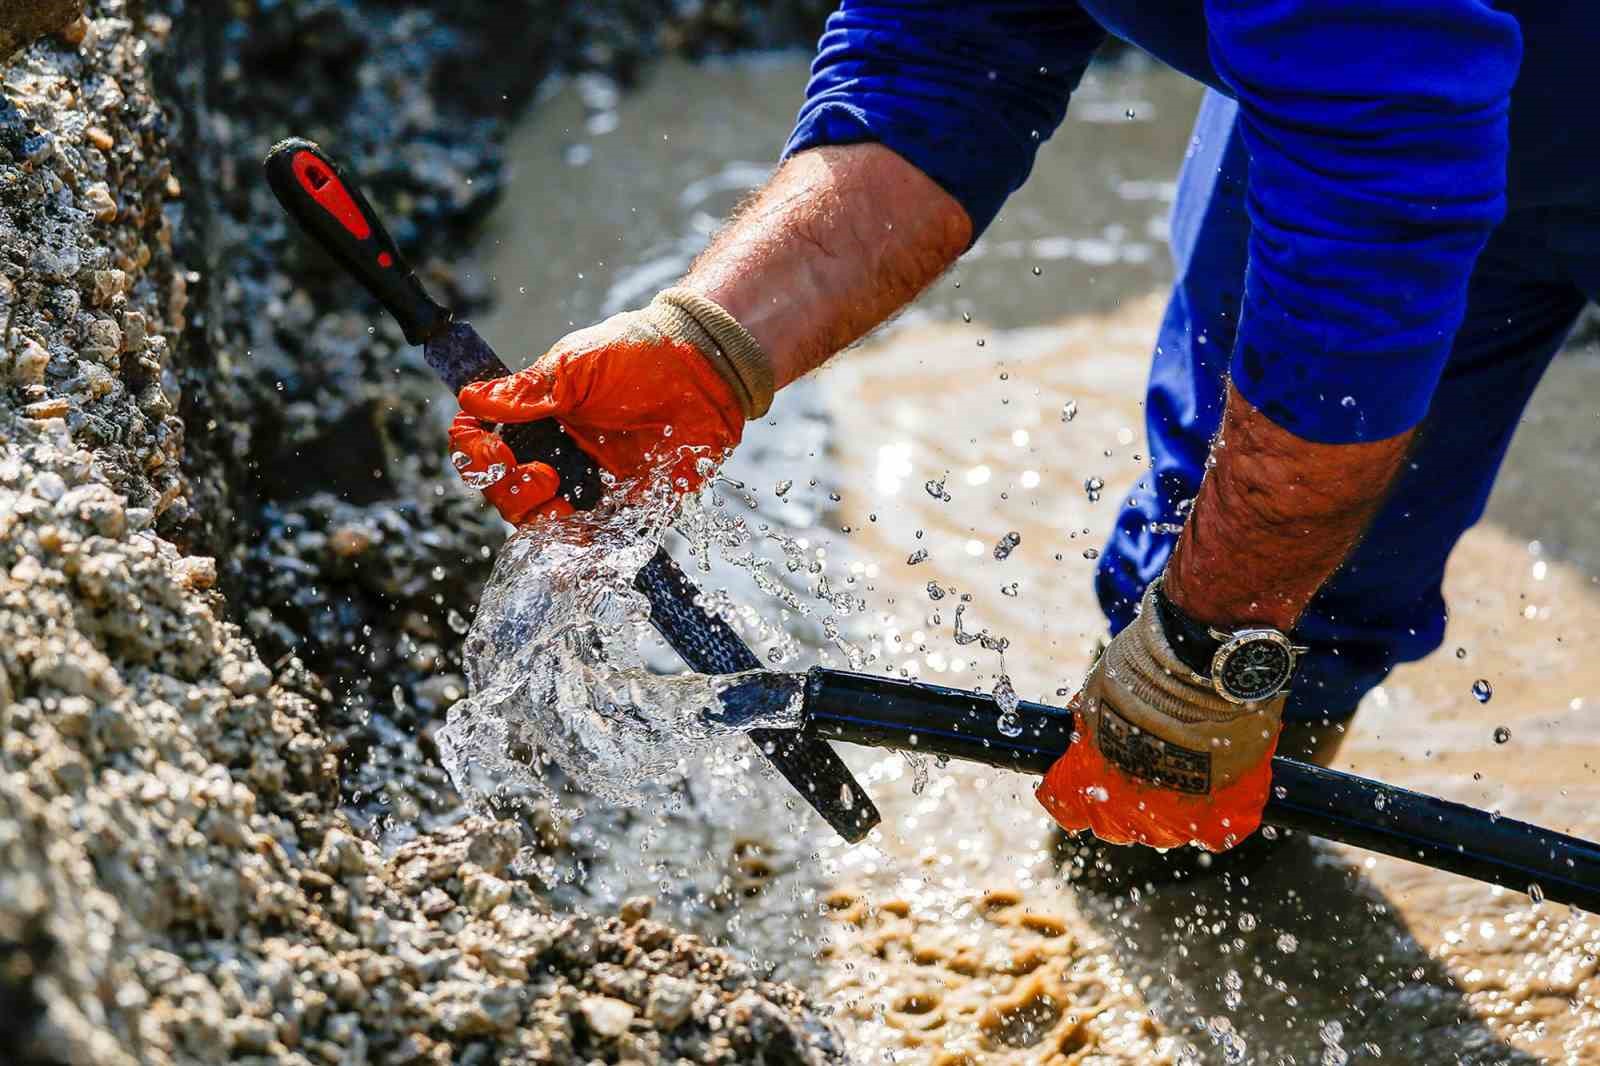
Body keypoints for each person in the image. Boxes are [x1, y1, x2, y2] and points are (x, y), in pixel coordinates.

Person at [449, 1, 1599, 857]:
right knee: (1253, 618)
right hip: (1394, 94)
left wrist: (1212, 642)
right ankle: (1210, 825)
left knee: (1222, 625)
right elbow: (942, 57)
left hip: (1406, 105)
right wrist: (707, 344)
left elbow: (1376, 222)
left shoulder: (1377, 122)